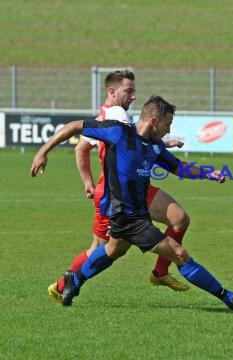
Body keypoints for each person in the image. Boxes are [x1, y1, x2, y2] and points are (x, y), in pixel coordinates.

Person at [32, 95, 233, 309]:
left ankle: (74, 280)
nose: (169, 130)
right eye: (167, 124)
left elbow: (179, 167)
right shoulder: (118, 132)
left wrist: (209, 173)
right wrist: (43, 151)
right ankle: (229, 298)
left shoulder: (154, 146)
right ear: (154, 120)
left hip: (137, 214)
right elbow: (74, 126)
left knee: (113, 250)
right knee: (179, 254)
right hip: (126, 216)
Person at [48, 70, 192, 303]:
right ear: (112, 92)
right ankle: (160, 271)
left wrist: (87, 181)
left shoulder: (104, 115)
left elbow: (81, 148)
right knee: (108, 248)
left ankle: (65, 285)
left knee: (105, 247)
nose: (134, 96)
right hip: (122, 187)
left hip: (116, 186)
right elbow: (136, 137)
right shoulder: (117, 115)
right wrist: (162, 144)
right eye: (129, 90)